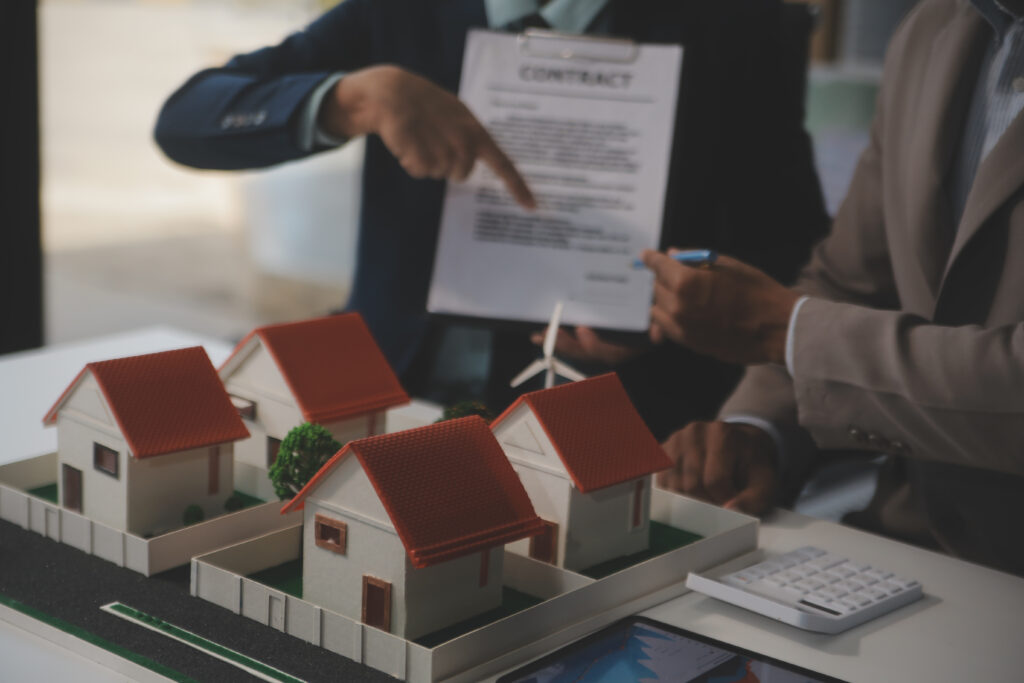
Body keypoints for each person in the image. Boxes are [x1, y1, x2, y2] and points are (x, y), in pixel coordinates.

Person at [154, 0, 828, 430]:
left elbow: (793, 250)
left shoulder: (744, 23)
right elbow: (187, 117)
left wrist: (681, 313)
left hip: (620, 416)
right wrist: (356, 98)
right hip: (384, 398)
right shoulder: (403, 11)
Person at [646, 0, 1024, 575]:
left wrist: (787, 330)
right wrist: (756, 431)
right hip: (899, 551)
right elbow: (850, 281)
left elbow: (804, 317)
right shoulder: (930, 30)